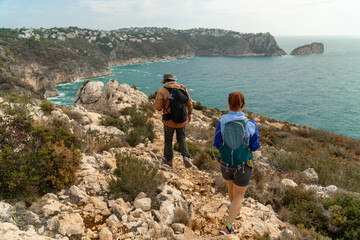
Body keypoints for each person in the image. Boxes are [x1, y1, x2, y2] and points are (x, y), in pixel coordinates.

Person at [213, 92, 260, 235]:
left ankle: (236, 211)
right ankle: (228, 226)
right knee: (239, 196)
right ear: (243, 105)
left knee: (231, 189)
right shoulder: (250, 124)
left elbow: (216, 142)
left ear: (228, 104)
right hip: (243, 165)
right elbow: (254, 145)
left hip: (225, 164)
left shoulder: (222, 122)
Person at [154, 72, 193, 168]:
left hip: (169, 121)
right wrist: (189, 114)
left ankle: (168, 159)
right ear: (173, 79)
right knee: (182, 137)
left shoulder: (162, 91)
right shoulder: (182, 88)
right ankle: (186, 157)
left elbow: (158, 108)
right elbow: (189, 103)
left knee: (168, 139)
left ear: (165, 81)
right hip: (182, 119)